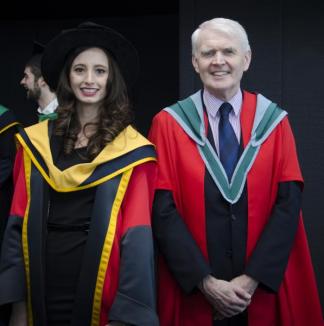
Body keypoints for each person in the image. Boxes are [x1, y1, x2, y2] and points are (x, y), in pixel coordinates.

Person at [149, 17, 323, 326]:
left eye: (228, 52)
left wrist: (251, 280)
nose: (218, 61)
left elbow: (288, 205)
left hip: (260, 291)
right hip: (194, 291)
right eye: (207, 53)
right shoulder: (168, 124)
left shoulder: (274, 123)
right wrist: (206, 282)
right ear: (194, 62)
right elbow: (162, 210)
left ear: (247, 59)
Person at [0, 22, 158, 326]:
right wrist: (17, 304)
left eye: (100, 71)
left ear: (112, 79)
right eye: (79, 70)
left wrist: (127, 315)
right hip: (40, 284)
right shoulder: (34, 143)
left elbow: (136, 239)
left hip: (103, 289)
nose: (89, 79)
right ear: (67, 77)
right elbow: (16, 225)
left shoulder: (132, 151)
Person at [20, 41, 58, 122]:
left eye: (26, 76)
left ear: (43, 80)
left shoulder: (68, 118)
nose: (22, 81)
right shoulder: (43, 116)